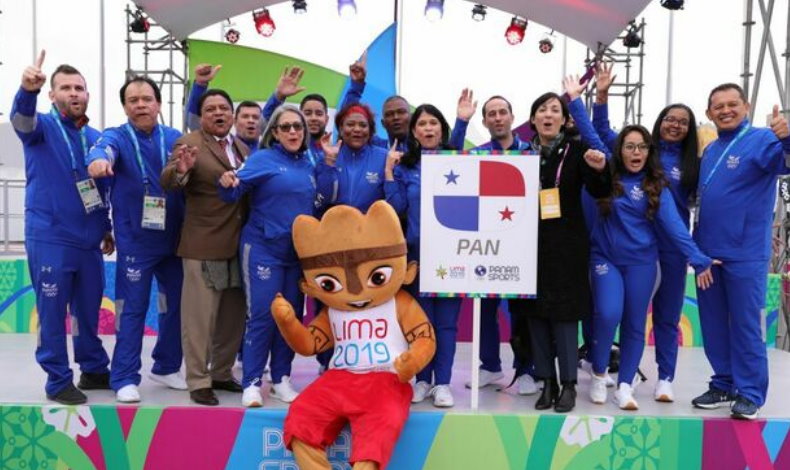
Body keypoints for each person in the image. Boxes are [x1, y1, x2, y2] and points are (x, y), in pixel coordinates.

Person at [590, 63, 701, 402]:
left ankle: (662, 378)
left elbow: (676, 218)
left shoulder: (691, 163)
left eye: (683, 121)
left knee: (663, 317)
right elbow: (599, 131)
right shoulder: (629, 153)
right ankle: (604, 373)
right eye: (670, 118)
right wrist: (599, 97)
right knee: (611, 312)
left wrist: (698, 255)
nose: (675, 125)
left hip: (666, 250)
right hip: (625, 249)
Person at [11, 51, 114, 405]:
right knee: (53, 314)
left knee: (87, 310)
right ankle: (57, 379)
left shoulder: (94, 137)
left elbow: (101, 189)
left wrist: (106, 227)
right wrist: (27, 90)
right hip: (51, 237)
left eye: (79, 88)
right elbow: (20, 119)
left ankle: (93, 368)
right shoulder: (40, 128)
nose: (74, 93)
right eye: (66, 88)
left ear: (88, 95)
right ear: (52, 94)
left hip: (89, 241)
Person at [691, 83, 790, 419]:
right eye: (718, 106)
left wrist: (786, 138)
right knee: (714, 324)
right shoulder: (711, 150)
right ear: (708, 113)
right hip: (709, 254)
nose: (725, 110)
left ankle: (750, 393)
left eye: (732, 104)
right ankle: (724, 383)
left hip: (745, 253)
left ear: (746, 107)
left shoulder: (762, 139)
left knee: (747, 325)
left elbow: (786, 163)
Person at [509, 92, 612, 413]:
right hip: (527, 247)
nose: (548, 115)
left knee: (565, 317)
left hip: (567, 247)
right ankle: (547, 381)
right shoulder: (520, 156)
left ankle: (568, 384)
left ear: (565, 120)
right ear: (533, 119)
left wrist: (600, 169)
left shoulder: (577, 151)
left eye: (555, 110)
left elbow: (600, 190)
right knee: (534, 315)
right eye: (542, 110)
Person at [86, 76, 187, 403]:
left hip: (174, 241)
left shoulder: (173, 137)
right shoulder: (117, 136)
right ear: (125, 107)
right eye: (133, 100)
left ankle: (167, 365)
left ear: (158, 104)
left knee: (175, 306)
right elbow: (103, 149)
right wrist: (98, 161)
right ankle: (125, 376)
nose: (141, 105)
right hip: (136, 243)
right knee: (132, 309)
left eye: (146, 99)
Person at [219, 105, 322, 407]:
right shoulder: (262, 159)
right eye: (285, 127)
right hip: (262, 248)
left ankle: (280, 379)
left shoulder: (311, 162)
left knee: (290, 318)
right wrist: (226, 183)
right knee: (263, 315)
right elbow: (232, 191)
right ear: (275, 132)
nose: (292, 132)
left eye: (298, 127)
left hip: (296, 254)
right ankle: (252, 382)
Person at [160, 89, 249, 406]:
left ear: (232, 114)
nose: (218, 113)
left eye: (224, 107)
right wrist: (181, 170)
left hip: (237, 245)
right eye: (211, 109)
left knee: (232, 318)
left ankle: (222, 373)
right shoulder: (189, 143)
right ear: (201, 116)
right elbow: (168, 180)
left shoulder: (240, 146)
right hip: (203, 244)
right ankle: (198, 380)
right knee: (199, 319)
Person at [384, 104, 464, 407]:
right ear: (414, 132)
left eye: (433, 123)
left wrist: (463, 121)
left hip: (452, 255)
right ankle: (422, 380)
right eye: (422, 124)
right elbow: (396, 208)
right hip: (417, 256)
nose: (428, 128)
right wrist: (389, 172)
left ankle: (442, 383)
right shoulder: (406, 166)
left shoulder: (457, 162)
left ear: (441, 129)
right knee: (421, 323)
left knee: (446, 324)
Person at [461, 95, 538, 395]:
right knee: (484, 309)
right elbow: (446, 159)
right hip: (487, 246)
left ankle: (526, 370)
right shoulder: (476, 155)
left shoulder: (532, 152)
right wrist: (461, 121)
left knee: (522, 312)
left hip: (522, 246)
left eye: (502, 112)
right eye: (491, 114)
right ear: (484, 121)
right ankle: (490, 366)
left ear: (512, 116)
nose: (497, 118)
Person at [185, 64, 262, 150]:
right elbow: (194, 121)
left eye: (256, 117)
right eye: (245, 116)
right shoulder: (220, 146)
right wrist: (200, 85)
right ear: (234, 120)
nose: (251, 121)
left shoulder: (269, 153)